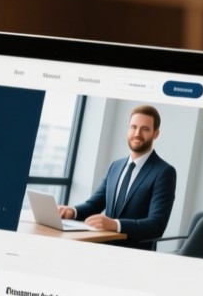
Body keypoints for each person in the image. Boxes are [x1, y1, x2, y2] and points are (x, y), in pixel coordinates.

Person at [58, 105, 177, 249]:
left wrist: (115, 225)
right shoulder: (115, 166)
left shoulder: (164, 172)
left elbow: (156, 225)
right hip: (102, 246)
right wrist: (72, 211)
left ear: (155, 134)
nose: (137, 133)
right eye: (133, 127)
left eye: (145, 129)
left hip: (134, 253)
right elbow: (94, 204)